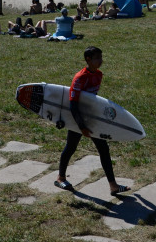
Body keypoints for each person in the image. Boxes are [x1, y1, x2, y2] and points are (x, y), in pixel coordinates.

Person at [54, 47, 131, 196]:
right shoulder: (80, 77)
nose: (100, 61)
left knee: (103, 149)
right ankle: (60, 178)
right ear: (88, 59)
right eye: (97, 58)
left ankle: (113, 186)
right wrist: (81, 126)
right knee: (71, 147)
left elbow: (94, 100)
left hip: (93, 118)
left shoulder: (99, 74)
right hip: (79, 119)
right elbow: (73, 105)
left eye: (101, 57)